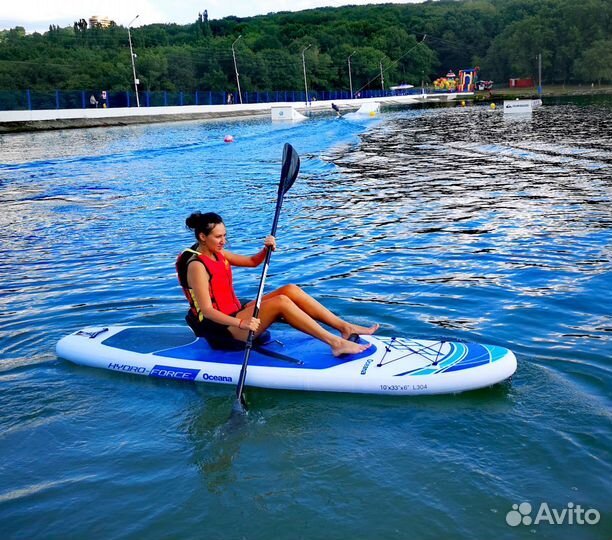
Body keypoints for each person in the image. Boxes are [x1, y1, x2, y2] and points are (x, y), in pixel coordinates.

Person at [176, 212, 378, 357]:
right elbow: (207, 311)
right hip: (223, 330)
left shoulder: (217, 253)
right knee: (281, 301)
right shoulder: (197, 266)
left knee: (290, 289)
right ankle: (335, 343)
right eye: (218, 237)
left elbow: (253, 262)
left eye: (225, 235)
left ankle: (345, 328)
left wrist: (266, 249)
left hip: (235, 312)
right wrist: (242, 323)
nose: (224, 241)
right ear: (202, 237)